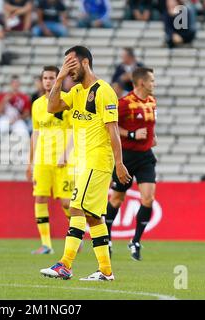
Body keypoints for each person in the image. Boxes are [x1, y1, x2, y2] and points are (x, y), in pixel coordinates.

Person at [40, 46, 131, 281]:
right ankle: (106, 271)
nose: (67, 70)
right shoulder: (77, 91)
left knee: (76, 208)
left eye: (70, 64)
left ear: (85, 63)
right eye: (64, 65)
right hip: (83, 162)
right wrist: (59, 77)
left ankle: (65, 264)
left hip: (97, 160)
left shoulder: (104, 92)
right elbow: (51, 107)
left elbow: (113, 131)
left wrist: (119, 164)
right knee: (93, 217)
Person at [105, 67, 157, 262]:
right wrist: (132, 134)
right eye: (152, 81)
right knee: (117, 199)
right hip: (126, 158)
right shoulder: (124, 103)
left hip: (145, 157)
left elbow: (151, 124)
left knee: (148, 199)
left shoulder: (152, 101)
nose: (154, 84)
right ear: (141, 82)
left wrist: (153, 137)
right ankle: (107, 237)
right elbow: (110, 125)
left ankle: (135, 240)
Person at [27, 65, 75, 255]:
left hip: (63, 160)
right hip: (42, 160)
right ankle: (46, 244)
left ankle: (75, 234)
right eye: (45, 78)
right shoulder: (37, 104)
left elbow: (73, 130)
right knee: (40, 198)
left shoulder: (65, 102)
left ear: (58, 79)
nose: (48, 81)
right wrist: (30, 161)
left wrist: (66, 153)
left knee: (66, 202)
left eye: (52, 78)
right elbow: (35, 134)